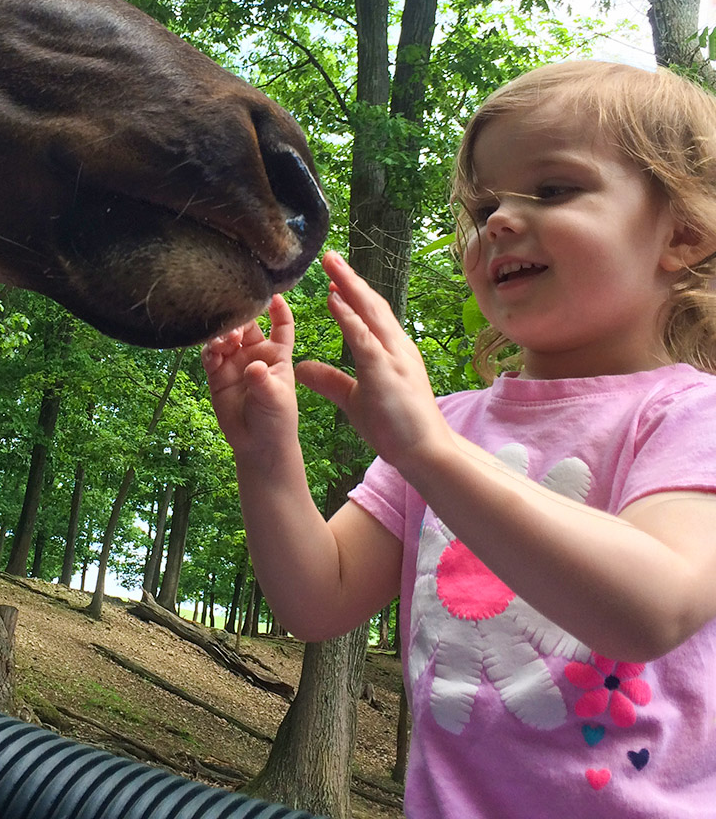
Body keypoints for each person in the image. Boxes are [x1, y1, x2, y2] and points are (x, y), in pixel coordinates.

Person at [202, 61, 716, 816]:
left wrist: (430, 453)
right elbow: (319, 599)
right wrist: (267, 456)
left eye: (553, 189)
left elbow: (652, 606)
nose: (500, 220)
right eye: (482, 206)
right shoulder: (445, 424)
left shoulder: (689, 415)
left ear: (683, 234)